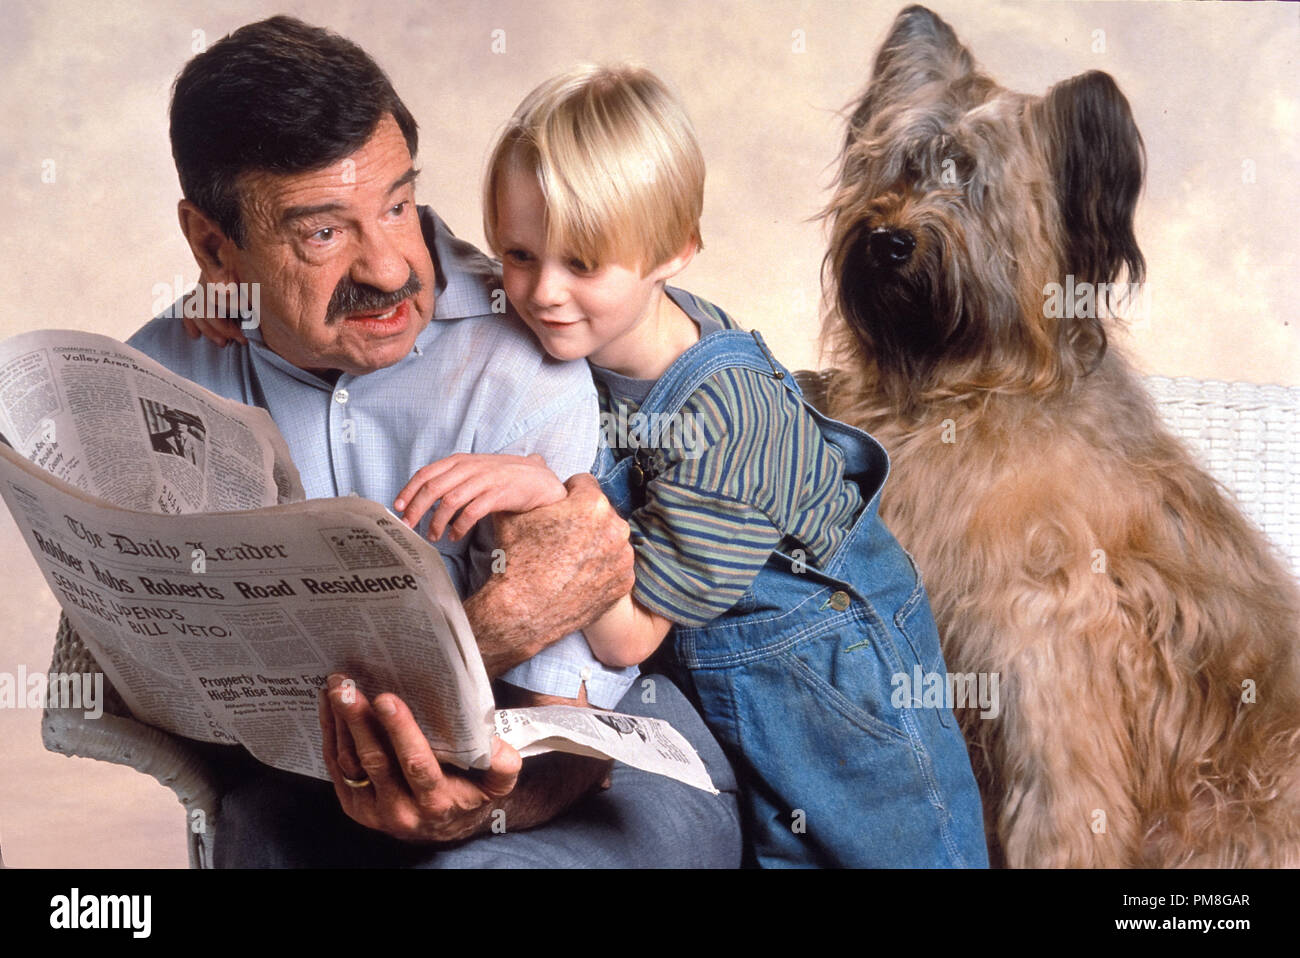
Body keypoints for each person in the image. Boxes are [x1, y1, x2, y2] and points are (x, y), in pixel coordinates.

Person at [126, 17, 742, 867]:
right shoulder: (157, 377)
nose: (388, 269)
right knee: (265, 838)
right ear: (211, 245)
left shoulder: (524, 361)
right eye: (322, 231)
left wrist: (472, 816)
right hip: (329, 784)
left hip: (587, 768)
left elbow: (572, 727)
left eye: (398, 205)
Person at [397, 64, 990, 866]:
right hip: (729, 692)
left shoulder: (720, 422)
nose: (540, 291)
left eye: (582, 262)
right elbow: (433, 264)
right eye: (519, 252)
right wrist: (238, 300)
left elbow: (626, 639)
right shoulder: (604, 329)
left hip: (843, 694)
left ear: (674, 251)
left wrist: (553, 502)